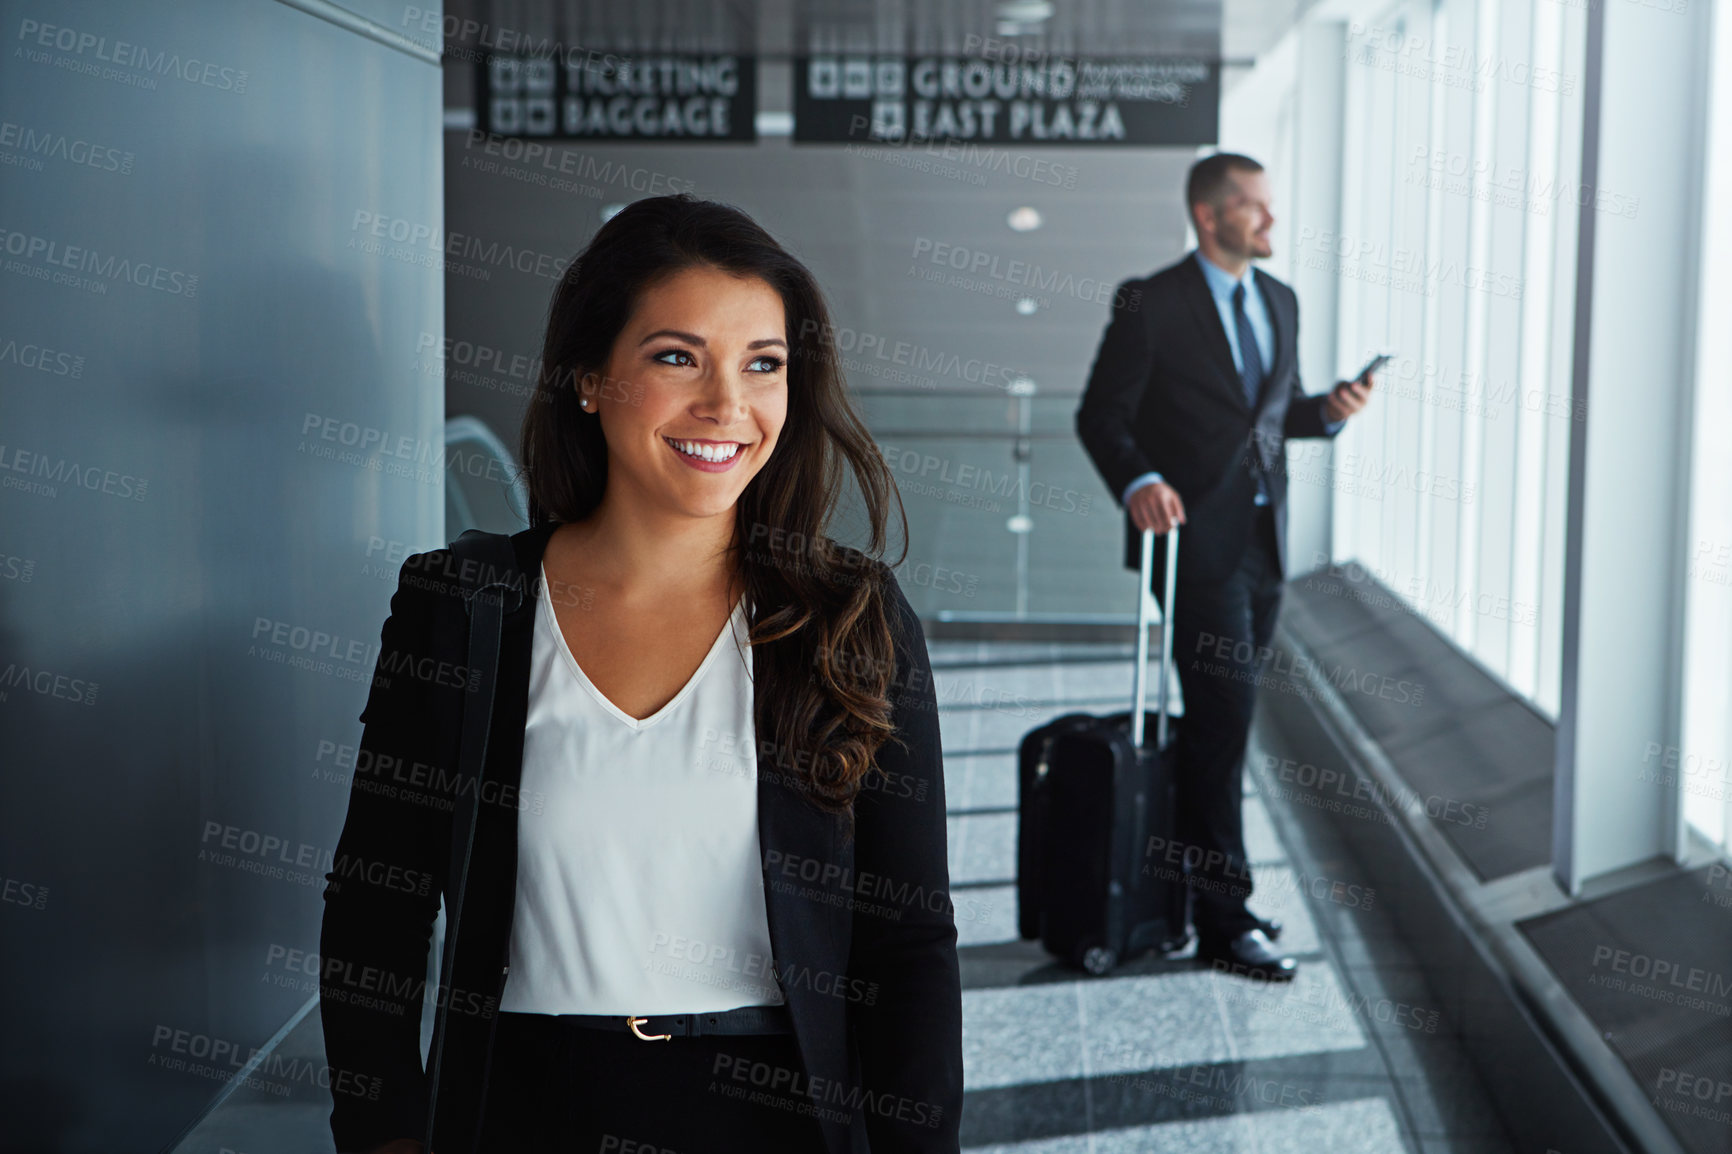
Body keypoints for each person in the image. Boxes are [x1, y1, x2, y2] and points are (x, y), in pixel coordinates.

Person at [319, 194, 963, 1153]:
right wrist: (382, 1135)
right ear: (589, 377)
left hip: (775, 1117)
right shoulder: (463, 605)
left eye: (763, 365)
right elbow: (377, 905)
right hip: (522, 1110)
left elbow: (906, 943)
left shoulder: (849, 618)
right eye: (676, 357)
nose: (726, 405)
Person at [1075, 153, 1374, 982]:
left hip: (1262, 549)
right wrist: (1139, 479)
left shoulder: (1281, 301)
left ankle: (1206, 896)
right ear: (1210, 216)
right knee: (1223, 725)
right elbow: (1101, 414)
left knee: (1224, 728)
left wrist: (1331, 412)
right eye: (1254, 208)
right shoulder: (1153, 302)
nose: (1271, 222)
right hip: (1194, 550)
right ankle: (1224, 918)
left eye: (1270, 207)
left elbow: (1274, 419)